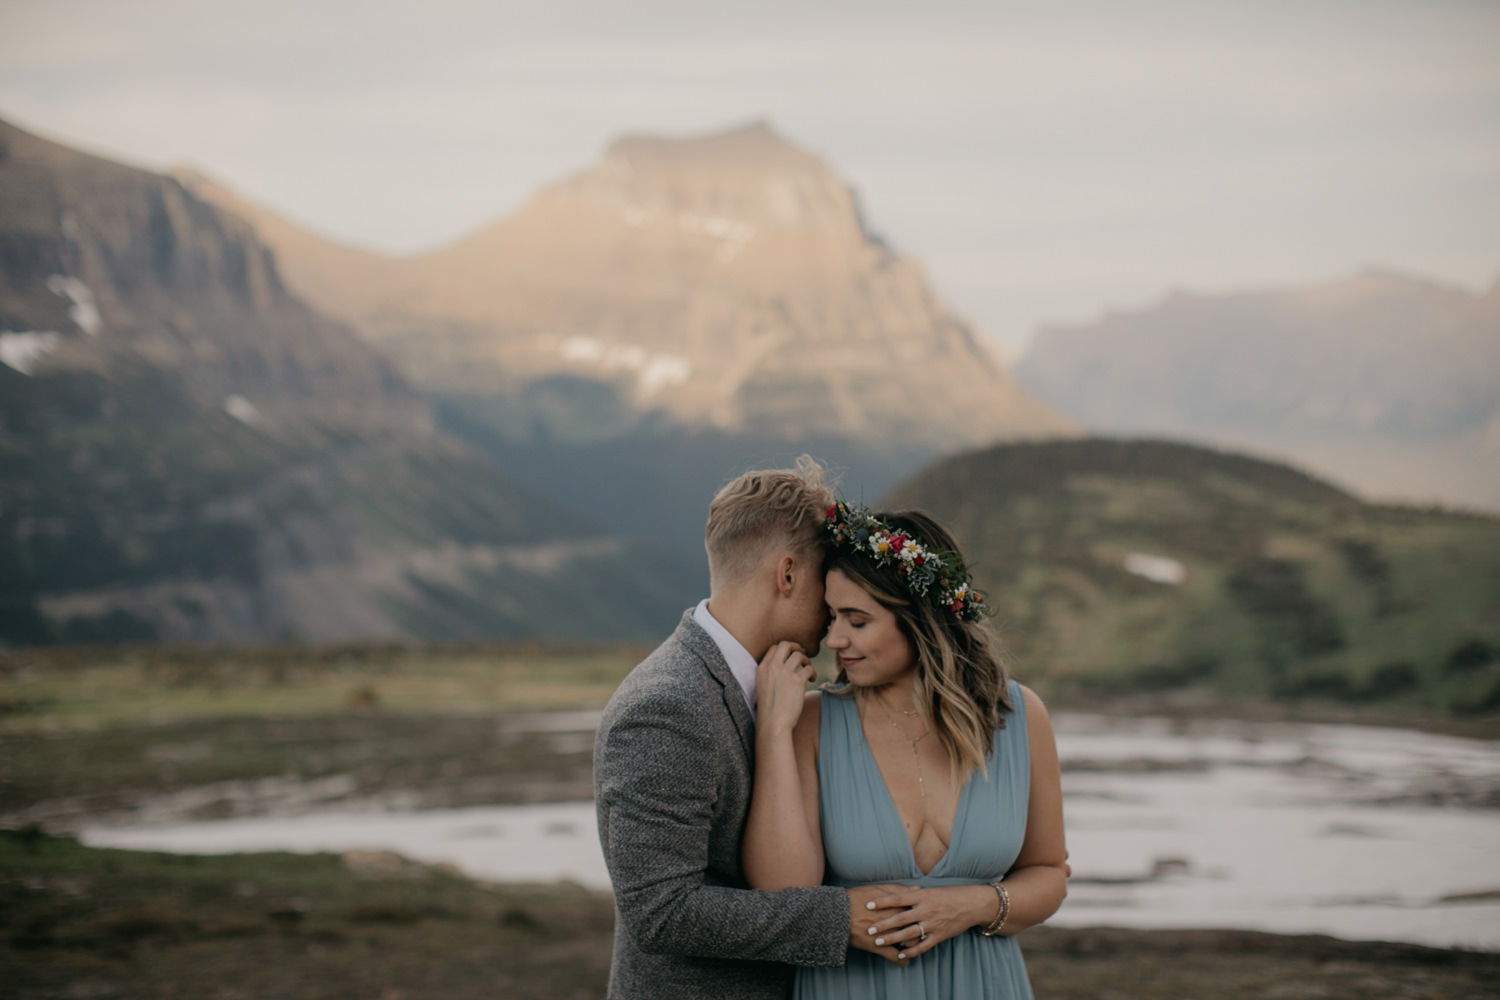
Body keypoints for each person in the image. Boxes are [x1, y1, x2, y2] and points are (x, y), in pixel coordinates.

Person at [593, 458, 909, 1000]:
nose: (834, 610)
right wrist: (839, 918)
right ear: (787, 574)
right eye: (823, 582)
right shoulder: (666, 707)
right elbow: (661, 912)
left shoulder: (776, 687)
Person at [743, 503, 1070, 999]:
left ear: (920, 620)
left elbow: (1048, 874)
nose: (833, 639)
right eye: (832, 616)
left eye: (857, 620)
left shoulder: (1021, 717)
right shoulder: (811, 722)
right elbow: (783, 894)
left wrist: (975, 905)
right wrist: (771, 730)